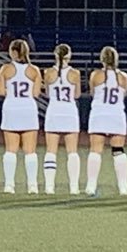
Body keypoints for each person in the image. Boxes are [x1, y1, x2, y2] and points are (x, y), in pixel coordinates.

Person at [0, 38, 42, 194]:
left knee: (11, 149)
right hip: (28, 109)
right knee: (30, 150)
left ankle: (9, 185)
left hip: (11, 108)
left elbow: (1, 92)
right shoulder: (34, 70)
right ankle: (32, 185)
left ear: (13, 52)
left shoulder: (5, 69)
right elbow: (36, 93)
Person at [85, 46, 127, 196]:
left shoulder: (95, 75)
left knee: (95, 150)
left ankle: (91, 186)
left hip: (99, 114)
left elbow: (93, 93)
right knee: (118, 150)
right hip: (116, 114)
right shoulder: (123, 77)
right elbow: (123, 95)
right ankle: (123, 186)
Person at [42, 44, 82, 195]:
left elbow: (47, 93)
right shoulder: (75, 73)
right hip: (69, 112)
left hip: (54, 112)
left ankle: (49, 187)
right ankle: (74, 187)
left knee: (51, 151)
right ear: (69, 56)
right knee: (72, 152)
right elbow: (77, 95)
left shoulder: (48, 73)